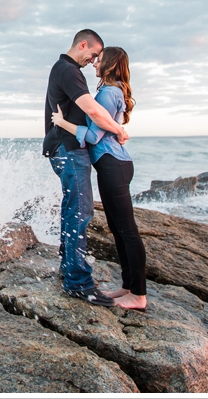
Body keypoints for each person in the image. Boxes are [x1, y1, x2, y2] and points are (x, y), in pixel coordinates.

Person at [52, 46, 146, 311]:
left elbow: (93, 136)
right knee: (118, 229)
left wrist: (62, 123)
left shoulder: (107, 92)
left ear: (110, 64)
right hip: (114, 163)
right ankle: (128, 287)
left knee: (127, 231)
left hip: (112, 164)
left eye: (99, 60)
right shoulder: (114, 91)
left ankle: (138, 295)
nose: (94, 64)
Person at [43, 30, 129, 306]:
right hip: (68, 149)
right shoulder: (68, 70)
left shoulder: (65, 69)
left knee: (73, 208)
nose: (93, 61)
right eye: (93, 54)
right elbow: (92, 110)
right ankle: (78, 282)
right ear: (83, 44)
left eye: (97, 58)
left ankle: (69, 270)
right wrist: (118, 128)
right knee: (79, 210)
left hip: (64, 148)